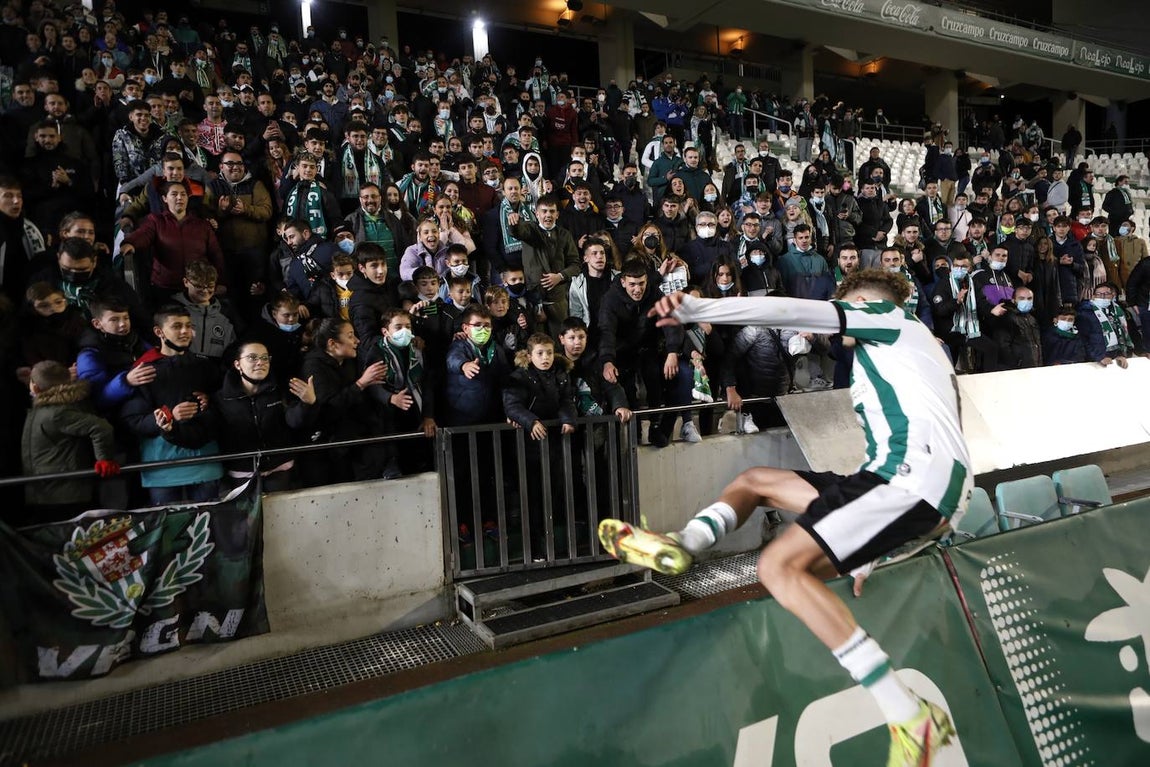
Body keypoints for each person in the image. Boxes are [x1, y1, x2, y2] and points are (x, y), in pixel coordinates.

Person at [599, 268, 968, 766]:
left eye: (847, 307)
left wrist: (699, 309)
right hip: (899, 482)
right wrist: (869, 547)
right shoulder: (904, 354)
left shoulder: (887, 317)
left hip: (908, 482)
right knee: (754, 482)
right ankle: (682, 544)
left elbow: (787, 309)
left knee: (777, 566)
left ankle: (909, 715)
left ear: (862, 302)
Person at [20, 360, 119, 525]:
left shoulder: (57, 412)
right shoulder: (52, 405)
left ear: (36, 387)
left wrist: (104, 459)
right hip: (50, 490)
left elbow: (100, 427)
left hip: (61, 493)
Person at [212, 340, 316, 492]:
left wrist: (307, 403)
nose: (260, 362)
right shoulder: (221, 398)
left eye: (265, 358)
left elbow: (294, 421)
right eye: (252, 357)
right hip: (241, 473)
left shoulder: (279, 390)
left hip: (280, 469)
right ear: (237, 364)